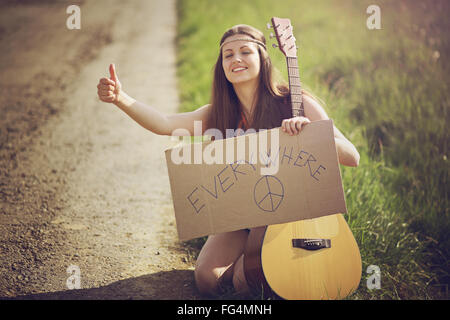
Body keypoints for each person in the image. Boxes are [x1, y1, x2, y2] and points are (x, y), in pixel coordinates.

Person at [97, 24, 360, 297]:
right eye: (228, 55)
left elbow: (352, 156)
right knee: (207, 279)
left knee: (248, 278)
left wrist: (311, 135)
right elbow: (164, 124)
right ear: (221, 66)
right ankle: (254, 267)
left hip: (289, 215)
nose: (236, 59)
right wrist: (121, 98)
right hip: (240, 215)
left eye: (245, 51)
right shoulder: (219, 114)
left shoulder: (294, 102)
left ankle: (263, 269)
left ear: (262, 58)